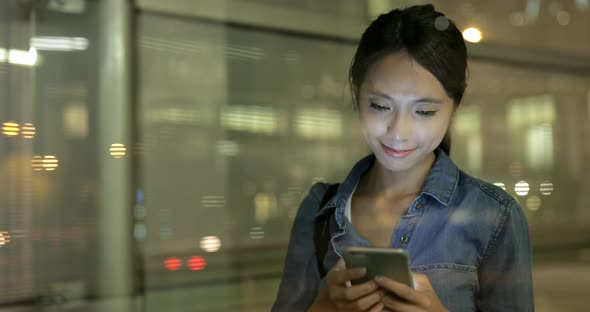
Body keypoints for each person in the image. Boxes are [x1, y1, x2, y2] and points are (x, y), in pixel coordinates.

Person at [272, 4, 533, 312]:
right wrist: (323, 307)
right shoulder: (319, 210)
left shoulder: (494, 217)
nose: (398, 132)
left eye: (424, 111)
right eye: (381, 106)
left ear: (454, 108)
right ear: (358, 96)